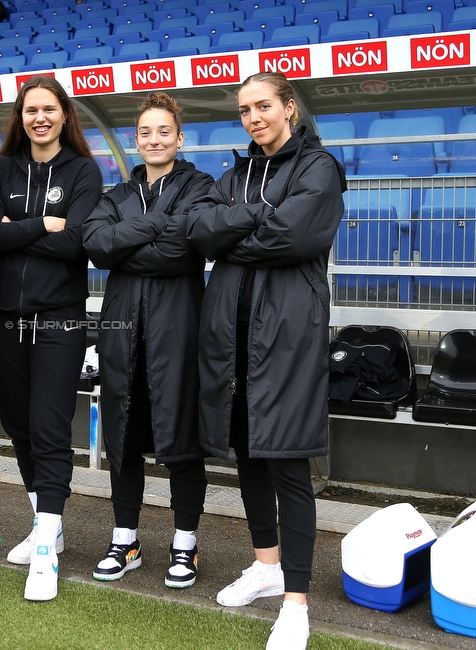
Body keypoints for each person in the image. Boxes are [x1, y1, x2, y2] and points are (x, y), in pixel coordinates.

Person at [186, 72, 347, 650]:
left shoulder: (318, 167)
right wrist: (250, 222)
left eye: (263, 106)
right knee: (249, 454)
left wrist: (238, 230)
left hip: (287, 336)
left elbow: (294, 237)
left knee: (288, 461)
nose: (254, 117)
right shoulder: (235, 173)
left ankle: (297, 602)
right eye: (245, 109)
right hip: (231, 334)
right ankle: (266, 566)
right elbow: (200, 230)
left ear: (289, 108)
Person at [82, 92, 214, 589]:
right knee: (123, 436)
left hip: (178, 329)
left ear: (179, 138)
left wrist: (129, 241)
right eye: (145, 132)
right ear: (136, 140)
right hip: (122, 332)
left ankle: (186, 545)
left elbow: (185, 251)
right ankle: (125, 539)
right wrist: (157, 224)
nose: (154, 139)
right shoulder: (115, 194)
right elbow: (97, 247)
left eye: (164, 131)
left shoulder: (200, 186)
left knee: (182, 439)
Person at [0, 75, 103, 602]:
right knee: (17, 423)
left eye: (49, 109)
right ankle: (45, 523)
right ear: (20, 116)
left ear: (63, 114)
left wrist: (20, 228)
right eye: (31, 110)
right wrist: (43, 225)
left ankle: (47, 552)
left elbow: (79, 243)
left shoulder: (83, 171)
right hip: (5, 314)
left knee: (49, 425)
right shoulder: (0, 170)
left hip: (59, 316)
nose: (40, 118)